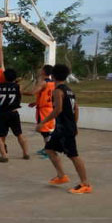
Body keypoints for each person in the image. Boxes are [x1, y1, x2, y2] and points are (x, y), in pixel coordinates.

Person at [36, 64, 92, 194]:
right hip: (63, 128)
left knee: (73, 156)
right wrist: (74, 124)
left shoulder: (58, 91)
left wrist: (42, 122)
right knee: (49, 149)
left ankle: (85, 184)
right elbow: (76, 108)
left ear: (53, 76)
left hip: (65, 129)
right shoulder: (69, 90)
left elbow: (58, 110)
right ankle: (61, 176)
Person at [0, 69, 29, 162]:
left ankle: (4, 156)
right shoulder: (18, 87)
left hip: (1, 114)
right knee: (19, 134)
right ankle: (25, 153)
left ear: (4, 77)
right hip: (13, 113)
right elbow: (19, 94)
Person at [24, 65, 55, 158]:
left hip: (44, 110)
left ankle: (49, 150)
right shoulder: (52, 82)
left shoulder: (43, 83)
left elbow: (32, 92)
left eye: (41, 69)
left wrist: (20, 91)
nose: (40, 70)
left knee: (45, 131)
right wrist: (36, 102)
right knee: (45, 130)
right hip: (48, 108)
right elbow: (47, 96)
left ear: (44, 72)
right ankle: (47, 148)